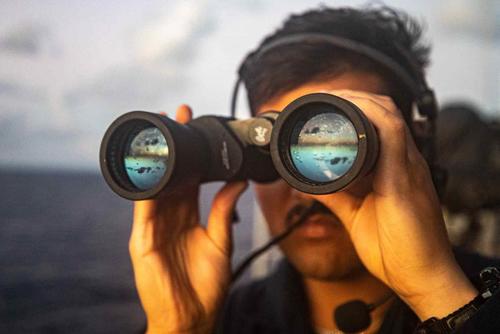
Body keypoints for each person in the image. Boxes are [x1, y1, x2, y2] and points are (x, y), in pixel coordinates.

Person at [128, 5, 500, 334]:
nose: (307, 189)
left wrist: (438, 293)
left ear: (418, 150)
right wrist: (178, 328)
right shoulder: (226, 320)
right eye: (274, 152)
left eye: (339, 146)